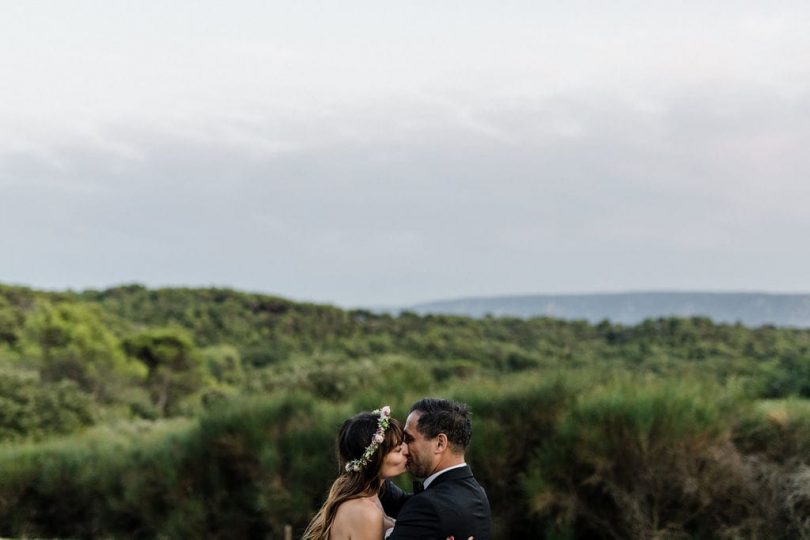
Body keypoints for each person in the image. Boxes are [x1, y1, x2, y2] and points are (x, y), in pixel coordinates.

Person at [380, 398, 491, 540]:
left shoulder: (429, 506)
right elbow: (403, 504)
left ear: (439, 443)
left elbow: (419, 510)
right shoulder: (477, 494)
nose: (404, 448)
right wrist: (374, 466)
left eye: (409, 439)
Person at [302, 406, 406, 540]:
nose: (407, 452)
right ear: (374, 459)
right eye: (398, 450)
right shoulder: (365, 511)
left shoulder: (370, 497)